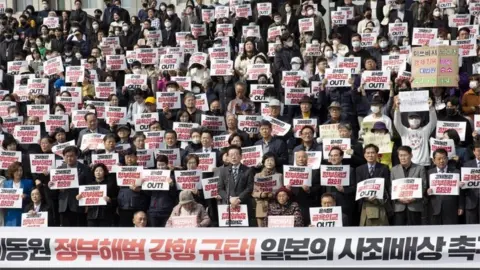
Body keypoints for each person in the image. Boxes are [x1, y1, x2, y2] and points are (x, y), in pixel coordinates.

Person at [390, 146, 427, 226]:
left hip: (415, 205)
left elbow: (423, 186)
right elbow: (391, 187)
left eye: (405, 155)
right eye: (400, 155)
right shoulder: (393, 170)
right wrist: (399, 198)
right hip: (399, 206)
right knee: (399, 232)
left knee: (415, 231)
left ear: (411, 155)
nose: (403, 158)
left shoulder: (420, 168)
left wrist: (414, 198)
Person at [394, 97, 436, 167]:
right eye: (411, 118)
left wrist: (431, 108)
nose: (414, 119)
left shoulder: (424, 131)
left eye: (416, 118)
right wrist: (397, 109)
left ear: (420, 119)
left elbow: (433, 121)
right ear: (408, 119)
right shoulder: (404, 131)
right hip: (408, 163)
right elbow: (396, 122)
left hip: (423, 163)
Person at [356, 144, 391, 226]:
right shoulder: (359, 169)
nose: (370, 155)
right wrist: (365, 197)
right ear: (364, 155)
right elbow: (358, 187)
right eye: (367, 153)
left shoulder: (384, 168)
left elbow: (387, 185)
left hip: (380, 203)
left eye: (372, 153)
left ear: (376, 154)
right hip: (365, 203)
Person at [56, 146, 92, 227]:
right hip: (63, 204)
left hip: (79, 204)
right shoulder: (59, 169)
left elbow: (89, 186)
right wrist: (52, 185)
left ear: (76, 156)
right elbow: (54, 188)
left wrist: (87, 204)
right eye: (67, 156)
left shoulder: (85, 168)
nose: (69, 158)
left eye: (71, 156)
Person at [427, 149, 463, 225]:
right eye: (439, 159)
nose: (441, 161)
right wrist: (427, 192)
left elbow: (461, 193)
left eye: (444, 158)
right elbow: (424, 190)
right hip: (434, 208)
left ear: (447, 159)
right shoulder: (429, 173)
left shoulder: (456, 172)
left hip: (451, 208)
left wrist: (461, 206)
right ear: (434, 160)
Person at [252, 153, 280, 227]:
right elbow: (253, 192)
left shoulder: (279, 176)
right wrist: (261, 194)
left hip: (275, 205)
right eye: (267, 160)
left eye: (272, 160)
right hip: (261, 206)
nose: (269, 162)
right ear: (264, 162)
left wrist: (273, 194)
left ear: (275, 163)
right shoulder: (257, 175)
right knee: (261, 232)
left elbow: (281, 191)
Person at [3, 162, 33, 226]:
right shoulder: (6, 184)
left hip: (23, 212)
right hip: (10, 215)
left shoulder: (28, 182)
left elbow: (33, 197)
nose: (19, 173)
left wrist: (26, 196)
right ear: (12, 171)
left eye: (21, 170)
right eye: (17, 170)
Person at [463, 142, 480, 224]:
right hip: (471, 201)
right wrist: (461, 184)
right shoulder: (467, 165)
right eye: (479, 151)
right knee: (470, 227)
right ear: (474, 152)